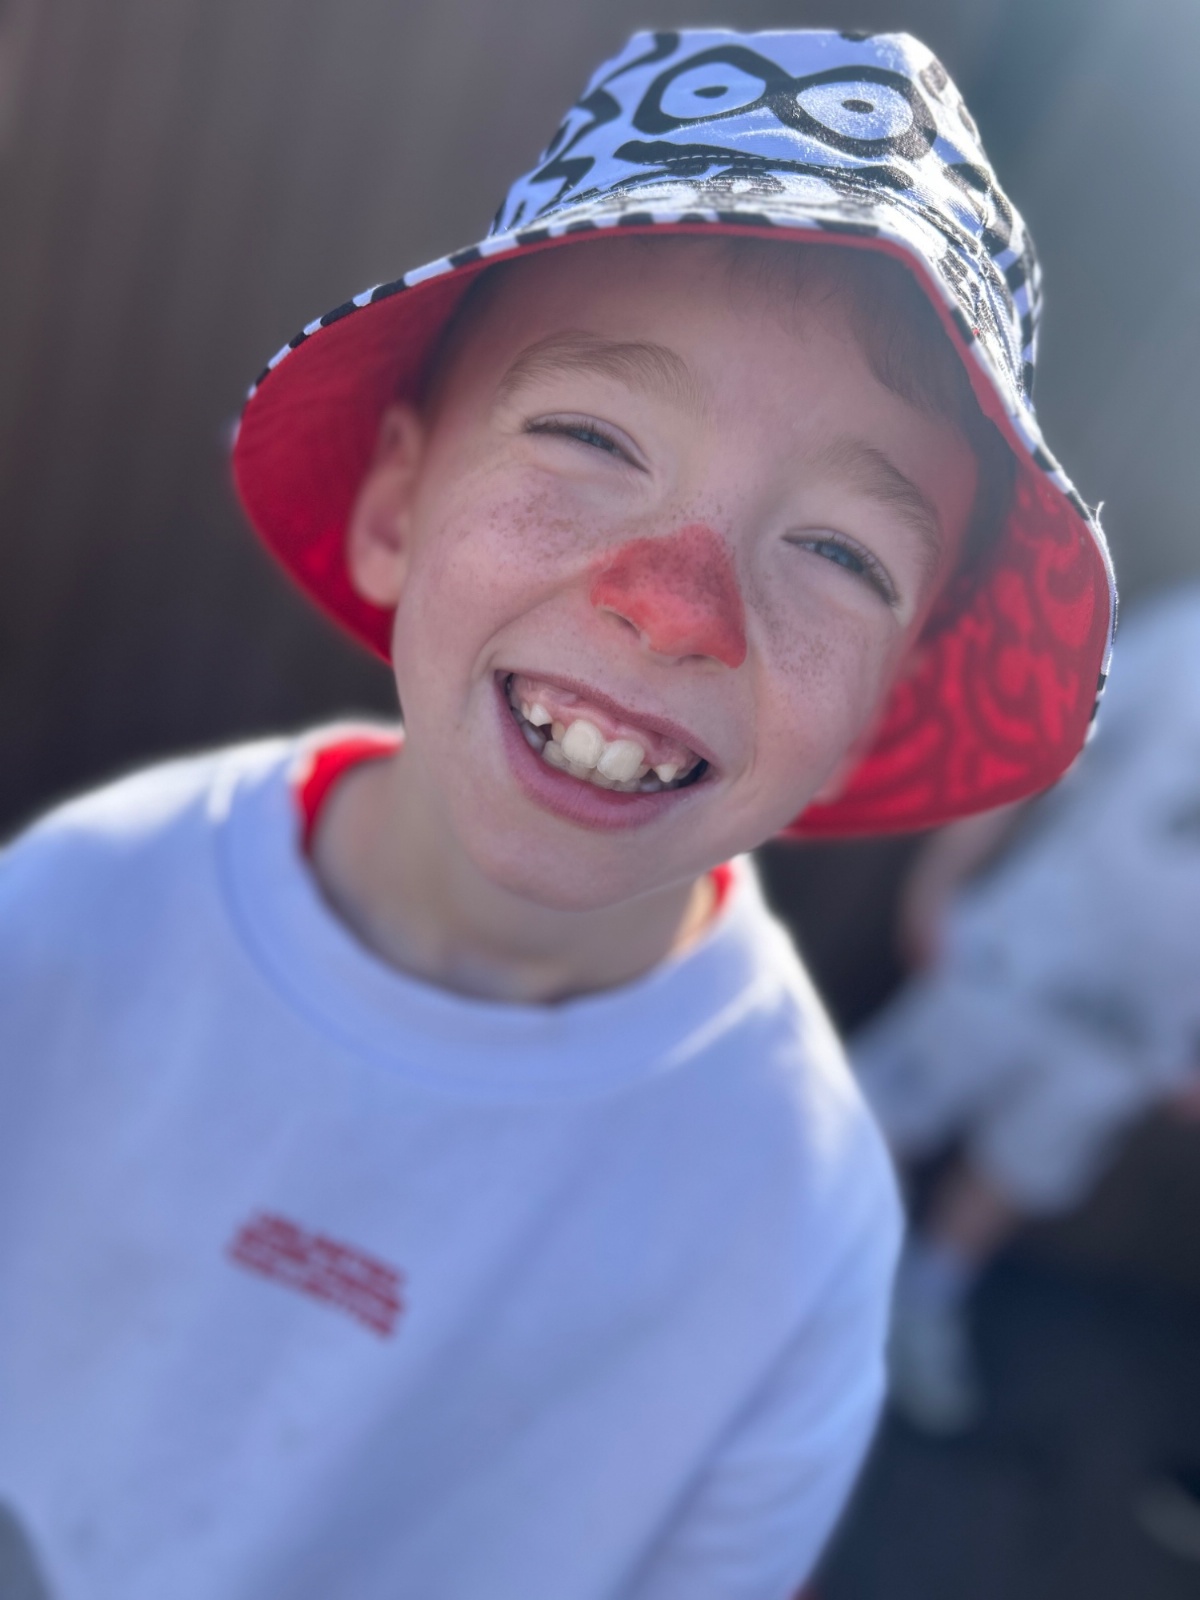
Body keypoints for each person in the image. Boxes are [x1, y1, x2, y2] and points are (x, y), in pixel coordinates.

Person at [0, 28, 1113, 1600]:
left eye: (840, 553)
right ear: (396, 507)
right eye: (591, 438)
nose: (676, 608)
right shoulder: (78, 908)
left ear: (879, 712)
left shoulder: (793, 1221)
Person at [853, 587, 1200, 1436]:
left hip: (1139, 1032)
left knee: (1021, 1167)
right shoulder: (1189, 639)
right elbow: (1052, 735)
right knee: (887, 1109)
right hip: (1025, 953)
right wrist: (945, 873)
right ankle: (835, 1268)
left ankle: (928, 1297)